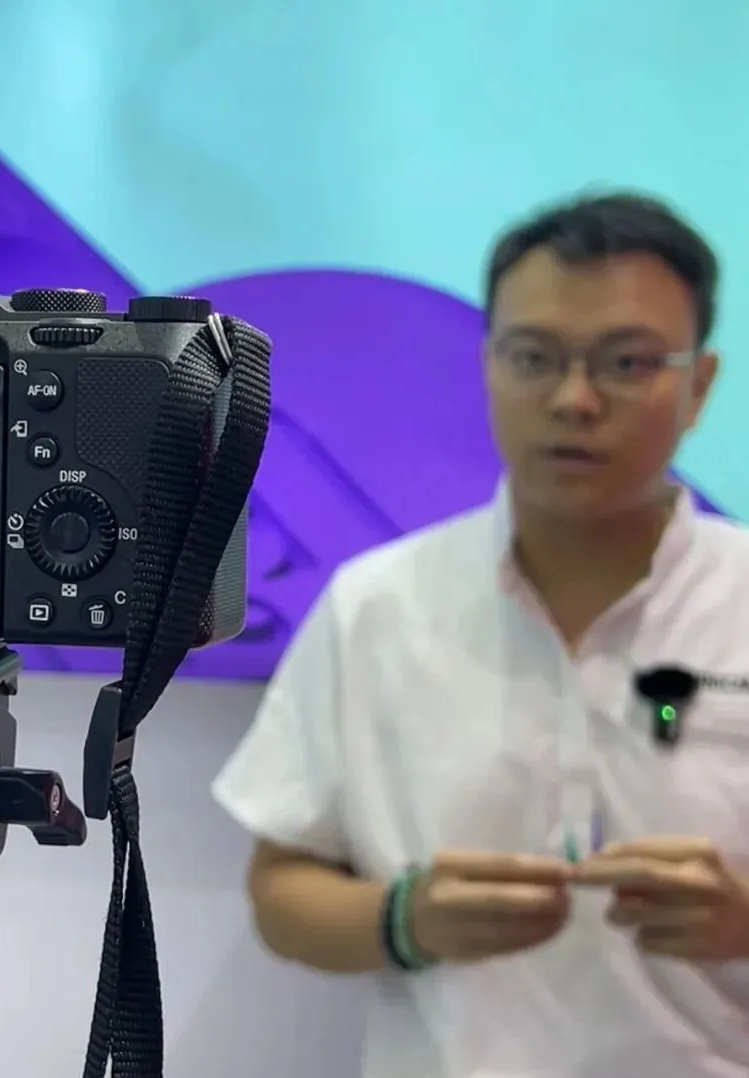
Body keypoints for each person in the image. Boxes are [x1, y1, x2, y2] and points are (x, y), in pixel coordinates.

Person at [211, 192, 749, 1078]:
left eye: (626, 362)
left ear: (699, 385)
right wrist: (405, 919)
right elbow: (281, 893)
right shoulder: (378, 605)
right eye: (535, 357)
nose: (575, 399)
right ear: (489, 366)